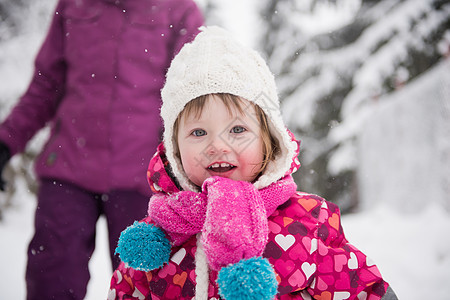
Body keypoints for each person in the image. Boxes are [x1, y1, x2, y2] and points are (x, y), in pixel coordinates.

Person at [108, 26, 398, 300]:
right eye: (198, 132)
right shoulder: (158, 237)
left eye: (237, 130)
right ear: (174, 149)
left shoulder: (307, 221)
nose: (217, 146)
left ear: (268, 140)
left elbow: (359, 289)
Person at [0, 0, 203, 299]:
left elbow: (191, 100)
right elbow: (44, 87)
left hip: (143, 179)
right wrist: (5, 143)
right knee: (51, 278)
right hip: (68, 168)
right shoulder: (73, 6)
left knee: (146, 284)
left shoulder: (179, 10)